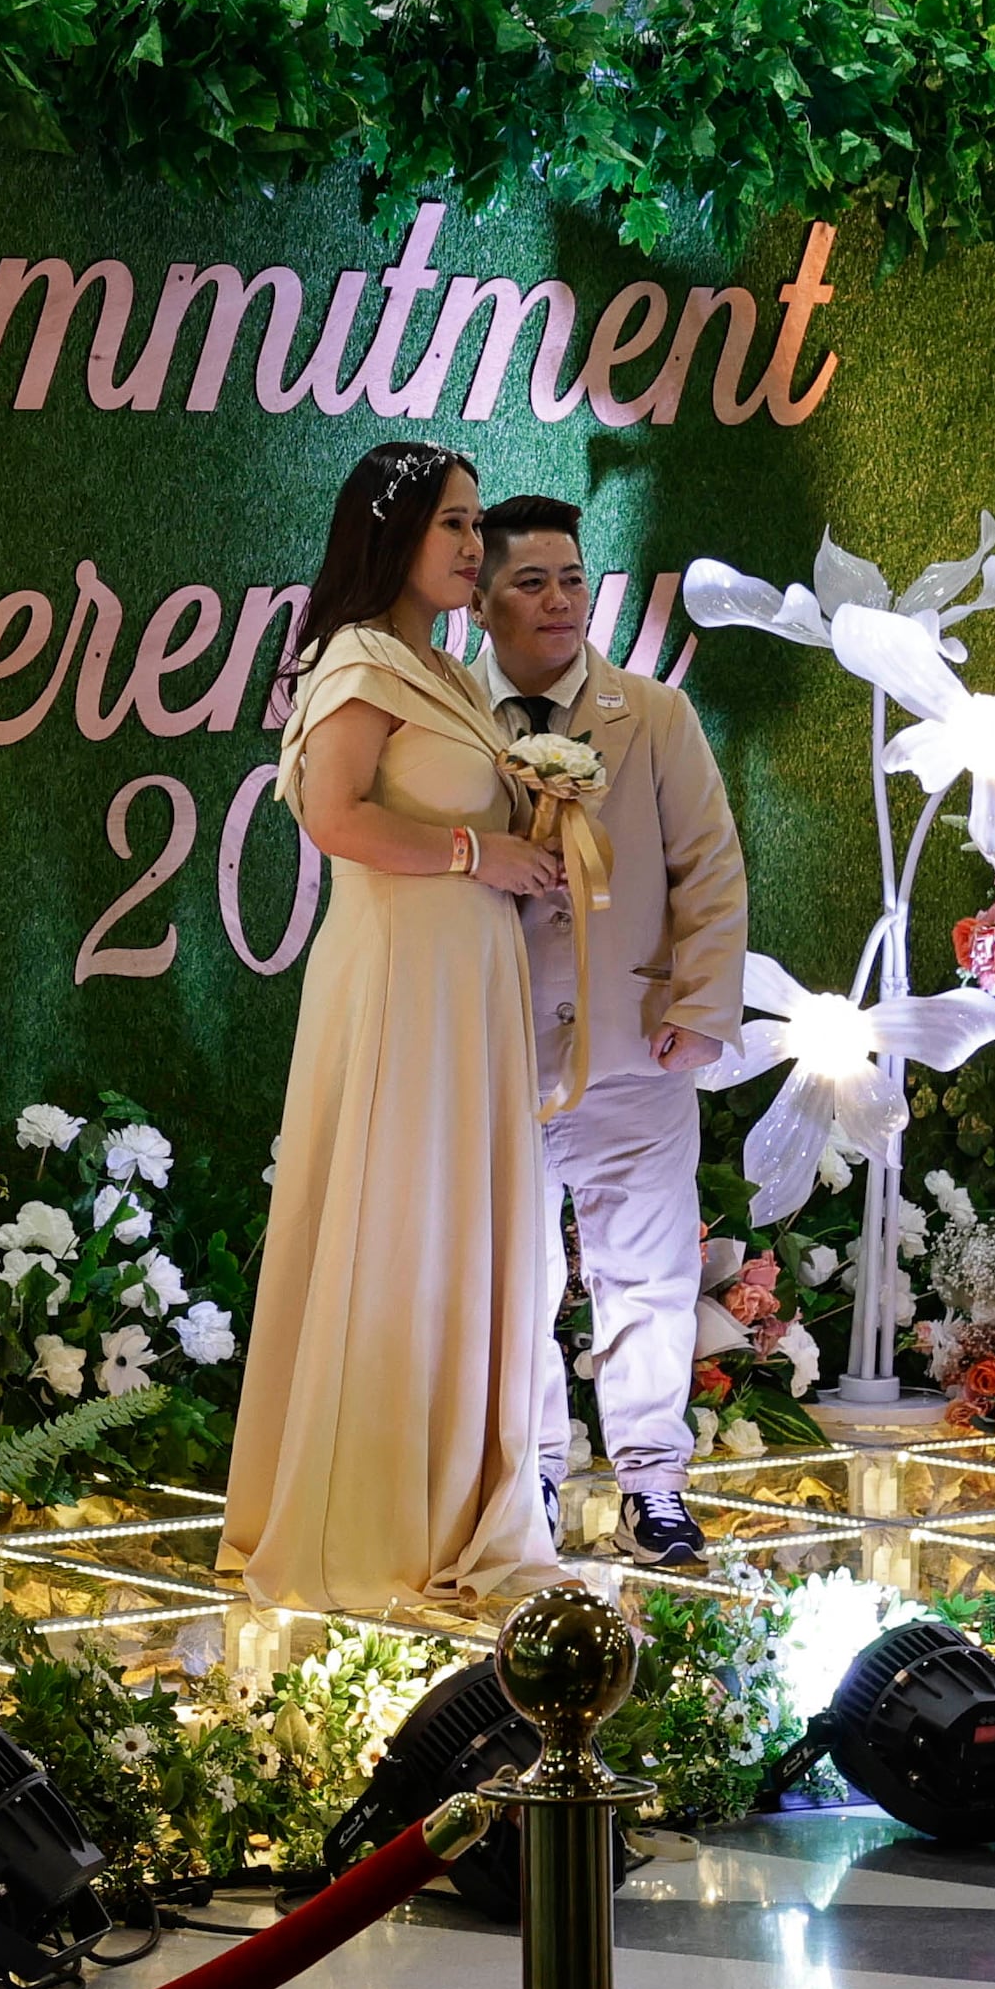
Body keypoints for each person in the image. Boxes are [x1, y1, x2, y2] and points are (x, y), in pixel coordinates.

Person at [221, 442, 577, 1617]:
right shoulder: (362, 661)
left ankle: (451, 1501)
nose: (474, 548)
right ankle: (369, 1517)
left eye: (477, 526)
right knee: (398, 1224)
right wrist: (486, 852)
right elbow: (332, 815)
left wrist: (547, 836)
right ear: (393, 539)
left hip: (467, 982)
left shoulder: (455, 675)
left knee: (460, 1228)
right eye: (452, 527)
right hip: (398, 982)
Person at [472, 494, 749, 1570]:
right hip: (492, 1053)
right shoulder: (449, 712)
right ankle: (529, 1477)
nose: (557, 601)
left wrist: (698, 1006)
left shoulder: (651, 715)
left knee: (644, 1276)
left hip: (638, 1044)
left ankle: (653, 1483)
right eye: (531, 582)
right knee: (514, 1284)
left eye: (571, 579)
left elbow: (709, 868)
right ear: (484, 600)